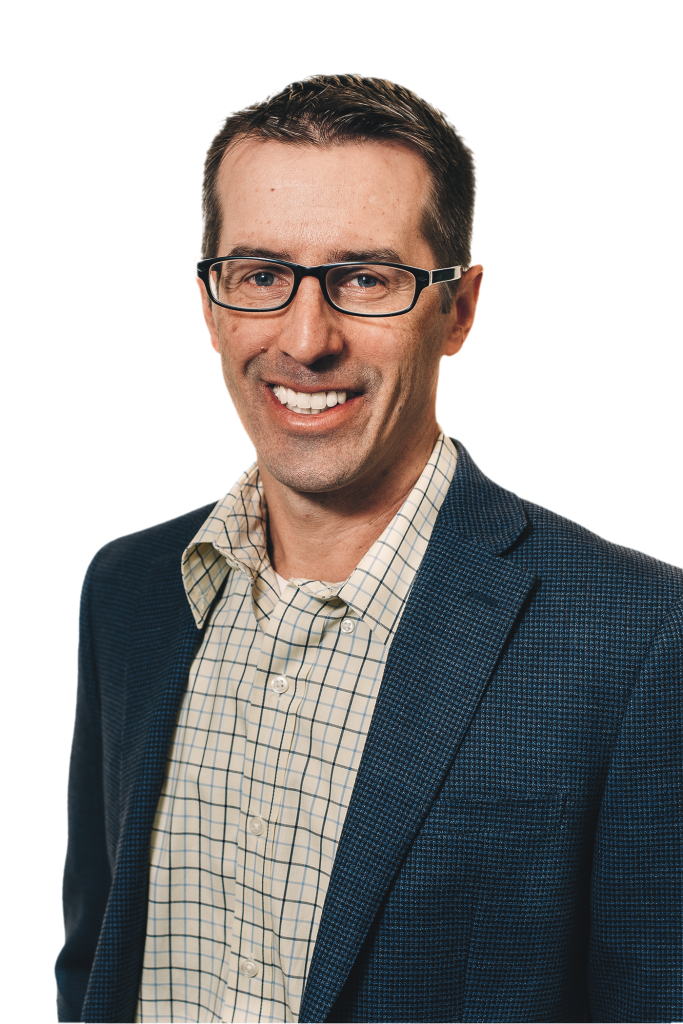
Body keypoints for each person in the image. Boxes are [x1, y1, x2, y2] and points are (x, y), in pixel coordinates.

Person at [55, 74, 682, 1024]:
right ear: (212, 304)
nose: (307, 340)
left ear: (457, 310)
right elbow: (95, 950)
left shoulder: (637, 637)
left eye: (365, 279)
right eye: (261, 275)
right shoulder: (128, 587)